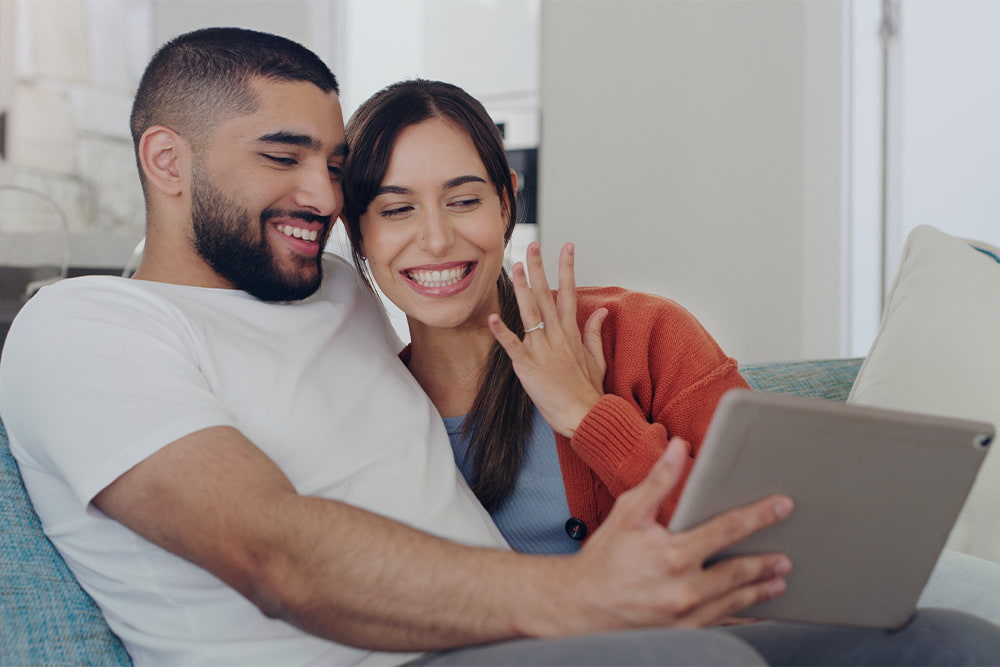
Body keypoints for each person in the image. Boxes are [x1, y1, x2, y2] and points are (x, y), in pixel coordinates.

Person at [0, 27, 997, 667]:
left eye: (332, 166)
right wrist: (580, 596)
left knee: (949, 638)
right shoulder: (84, 328)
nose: (319, 197)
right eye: (281, 158)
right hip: (400, 653)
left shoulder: (334, 290)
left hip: (502, 633)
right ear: (164, 161)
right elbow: (273, 553)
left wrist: (585, 407)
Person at [342, 79, 747, 554]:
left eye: (464, 201)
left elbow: (766, 540)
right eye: (396, 209)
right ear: (357, 232)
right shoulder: (359, 409)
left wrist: (588, 414)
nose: (435, 239)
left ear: (506, 203)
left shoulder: (642, 334)